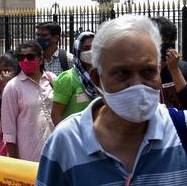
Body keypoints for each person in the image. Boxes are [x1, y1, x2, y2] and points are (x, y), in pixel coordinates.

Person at [37, 15, 187, 185]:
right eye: (122, 73)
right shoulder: (66, 142)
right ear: (96, 79)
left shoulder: (180, 130)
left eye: (148, 71)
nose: (137, 85)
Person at [1, 40, 56, 161]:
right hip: (29, 156)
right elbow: (8, 131)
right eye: (21, 57)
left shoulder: (52, 79)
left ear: (40, 59)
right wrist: (14, 163)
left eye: (30, 57)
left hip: (55, 152)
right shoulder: (12, 87)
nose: (25, 61)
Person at [51, 32, 97, 125]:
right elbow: (56, 115)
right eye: (86, 48)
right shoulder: (68, 78)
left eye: (94, 48)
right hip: (75, 135)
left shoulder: (103, 76)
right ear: (78, 50)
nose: (90, 52)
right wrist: (66, 137)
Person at [150, 17, 187, 109]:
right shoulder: (139, 71)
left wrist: (175, 70)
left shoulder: (182, 68)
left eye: (170, 43)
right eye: (162, 43)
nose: (167, 49)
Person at [0, 52, 18, 140]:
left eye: (6, 71)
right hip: (4, 135)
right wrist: (5, 88)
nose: (3, 74)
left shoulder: (21, 86)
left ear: (16, 69)